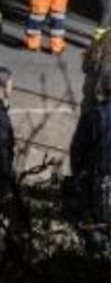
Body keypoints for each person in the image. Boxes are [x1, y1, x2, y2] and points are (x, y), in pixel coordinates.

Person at [69, 68, 111, 256]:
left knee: (96, 230)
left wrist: (79, 178)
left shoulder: (93, 115)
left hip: (98, 183)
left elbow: (77, 151)